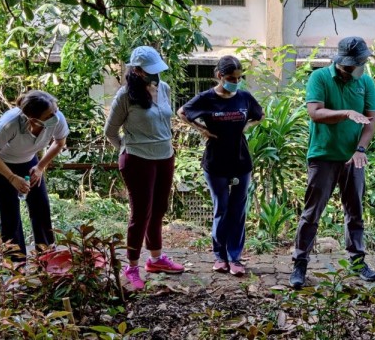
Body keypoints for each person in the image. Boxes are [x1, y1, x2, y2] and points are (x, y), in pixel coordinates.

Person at [289, 36, 375, 289]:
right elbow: (315, 113)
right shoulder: (319, 78)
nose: (356, 68)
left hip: (354, 157)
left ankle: (358, 261)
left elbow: (371, 120)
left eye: (359, 63)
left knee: (356, 212)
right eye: (352, 64)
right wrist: (346, 113)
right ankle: (300, 264)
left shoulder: (365, 82)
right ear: (340, 61)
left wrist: (361, 148)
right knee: (311, 213)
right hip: (323, 156)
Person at [104, 46, 184, 290]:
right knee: (140, 214)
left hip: (165, 155)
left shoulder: (165, 88)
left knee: (159, 208)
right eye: (149, 71)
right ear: (137, 71)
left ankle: (156, 259)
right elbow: (110, 132)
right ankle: (132, 266)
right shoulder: (126, 95)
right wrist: (127, 148)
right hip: (137, 158)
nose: (155, 75)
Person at [177, 55, 264, 276]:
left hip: (241, 161)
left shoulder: (244, 97)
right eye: (231, 78)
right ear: (219, 76)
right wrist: (201, 130)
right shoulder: (206, 98)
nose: (236, 81)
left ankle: (235, 257)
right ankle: (219, 256)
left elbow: (259, 115)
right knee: (221, 209)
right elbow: (181, 113)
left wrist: (247, 126)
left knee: (238, 211)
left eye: (239, 77)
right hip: (215, 162)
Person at [0, 91, 68, 263]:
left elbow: (59, 143)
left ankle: (47, 258)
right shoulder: (10, 123)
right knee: (10, 214)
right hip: (0, 165)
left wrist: (40, 166)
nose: (56, 115)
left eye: (56, 111)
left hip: (29, 161)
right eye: (50, 114)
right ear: (33, 118)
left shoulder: (56, 118)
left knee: (41, 207)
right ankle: (15, 265)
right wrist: (12, 178)